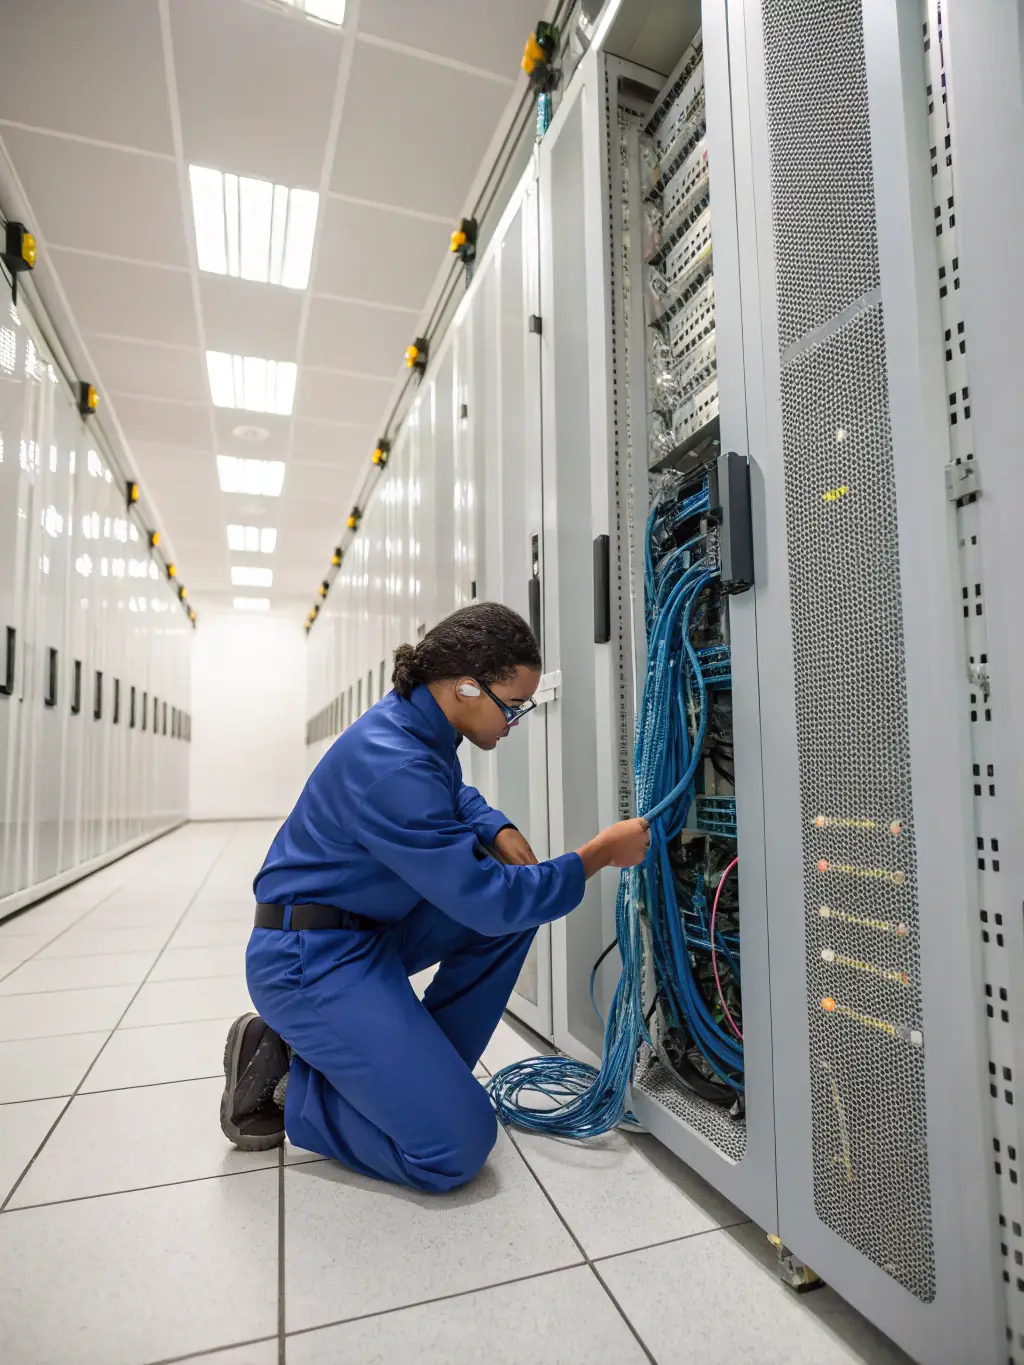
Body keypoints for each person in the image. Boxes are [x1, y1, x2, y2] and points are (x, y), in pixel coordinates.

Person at [220, 602, 650, 1192]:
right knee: (456, 1146)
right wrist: (598, 854)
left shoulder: (416, 726)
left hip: (364, 934)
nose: (513, 722)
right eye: (511, 706)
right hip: (308, 960)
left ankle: (417, 1078)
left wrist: (494, 825)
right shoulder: (390, 762)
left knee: (513, 920)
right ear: (465, 686)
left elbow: (451, 793)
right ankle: (287, 1082)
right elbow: (489, 900)